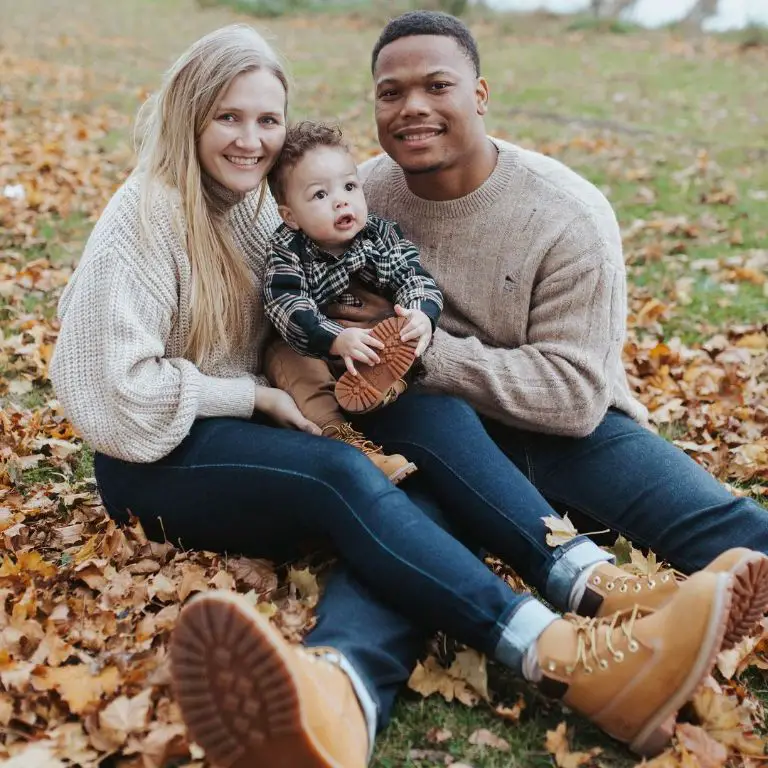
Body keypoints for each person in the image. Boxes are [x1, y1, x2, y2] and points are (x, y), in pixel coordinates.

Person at [47, 23, 768, 768]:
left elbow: (574, 394)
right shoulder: (283, 201)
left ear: (481, 95)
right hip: (169, 446)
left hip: (541, 420)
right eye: (228, 117)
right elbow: (121, 386)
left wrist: (416, 355)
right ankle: (540, 654)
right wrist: (265, 392)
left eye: (268, 120)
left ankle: (602, 593)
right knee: (366, 484)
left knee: (434, 450)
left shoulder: (561, 212)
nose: (251, 140)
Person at [263, 119, 443, 484]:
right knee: (287, 359)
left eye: (348, 186)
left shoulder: (378, 236)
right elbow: (287, 304)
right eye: (319, 195)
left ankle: (386, 383)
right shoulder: (288, 250)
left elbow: (412, 275)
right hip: (310, 347)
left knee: (394, 328)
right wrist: (333, 338)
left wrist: (420, 313)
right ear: (290, 216)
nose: (341, 200)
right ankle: (344, 440)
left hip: (360, 347)